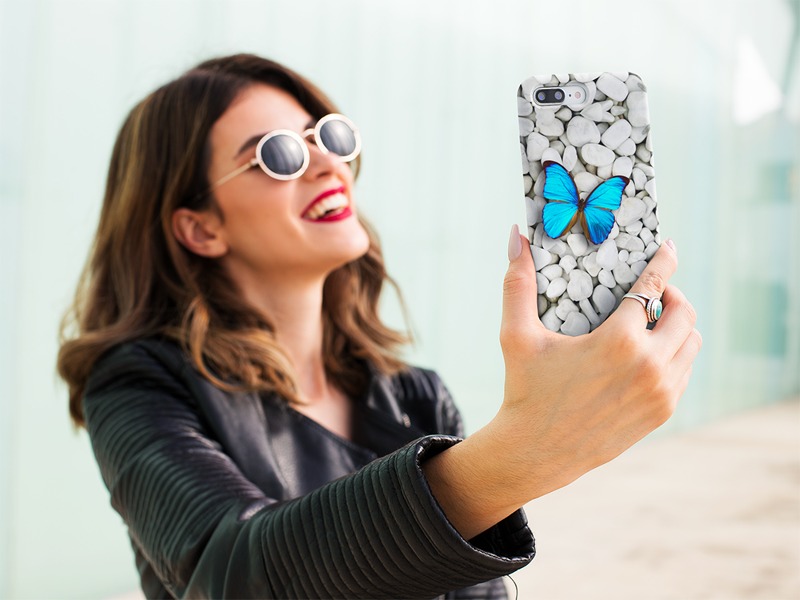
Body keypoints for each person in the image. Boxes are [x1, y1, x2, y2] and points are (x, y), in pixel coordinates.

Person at [57, 53, 701, 599]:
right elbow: (232, 572)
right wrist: (521, 452)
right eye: (278, 155)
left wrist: (523, 451)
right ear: (200, 228)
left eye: (328, 137)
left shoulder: (415, 397)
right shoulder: (137, 384)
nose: (326, 165)